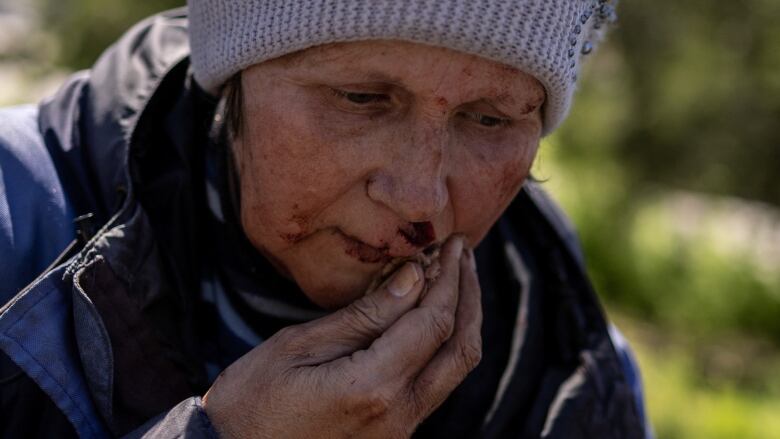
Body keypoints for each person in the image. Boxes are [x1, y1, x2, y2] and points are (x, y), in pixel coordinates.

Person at [0, 1, 652, 438]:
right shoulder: (15, 227)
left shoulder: (580, 374)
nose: (419, 199)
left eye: (490, 119)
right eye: (362, 98)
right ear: (235, 80)